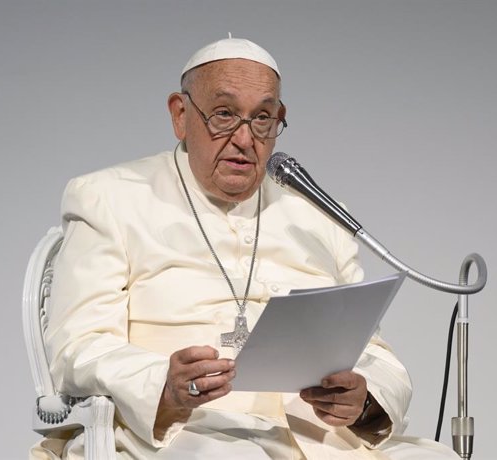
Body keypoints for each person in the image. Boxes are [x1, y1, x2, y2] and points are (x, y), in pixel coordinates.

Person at [31, 37, 460, 459]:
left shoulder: (318, 216)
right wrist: (163, 384)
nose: (244, 138)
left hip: (317, 440)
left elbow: (374, 353)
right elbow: (78, 346)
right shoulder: (109, 197)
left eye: (262, 119)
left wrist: (363, 399)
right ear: (181, 115)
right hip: (182, 434)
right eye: (223, 114)